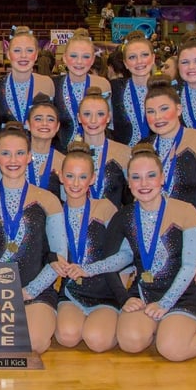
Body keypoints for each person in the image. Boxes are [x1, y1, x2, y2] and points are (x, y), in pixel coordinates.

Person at [86, 143, 196, 361]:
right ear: (129, 183)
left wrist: (165, 304)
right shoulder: (126, 215)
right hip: (144, 292)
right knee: (130, 342)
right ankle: (164, 328)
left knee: (172, 351)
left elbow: (189, 266)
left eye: (151, 175)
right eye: (136, 177)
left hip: (180, 296)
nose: (144, 183)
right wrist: (88, 270)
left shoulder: (186, 211)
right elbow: (124, 257)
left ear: (162, 178)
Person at [0, 123, 67, 354]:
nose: (13, 160)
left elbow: (59, 256)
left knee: (32, 343)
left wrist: (30, 291)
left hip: (34, 290)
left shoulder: (48, 200)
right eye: (6, 153)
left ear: (29, 157)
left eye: (20, 153)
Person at [141, 75, 196, 300]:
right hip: (156, 247)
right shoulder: (143, 147)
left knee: (188, 317)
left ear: (178, 109)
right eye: (150, 111)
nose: (157, 117)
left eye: (163, 109)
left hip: (193, 240)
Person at [52, 140, 120, 352]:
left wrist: (123, 296)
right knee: (67, 337)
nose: (75, 183)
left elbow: (122, 255)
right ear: (61, 177)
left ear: (92, 179)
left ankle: (115, 323)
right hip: (71, 292)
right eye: (70, 176)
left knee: (97, 341)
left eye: (83, 177)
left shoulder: (106, 208)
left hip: (105, 291)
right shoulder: (54, 211)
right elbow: (46, 252)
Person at [53, 29, 112, 152]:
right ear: (64, 58)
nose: (79, 62)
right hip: (62, 154)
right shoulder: (53, 85)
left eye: (85, 57)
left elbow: (110, 125)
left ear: (92, 60)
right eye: (73, 56)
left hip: (97, 152)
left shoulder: (103, 85)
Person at [0, 26, 55, 130]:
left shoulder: (47, 83)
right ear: (8, 54)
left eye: (29, 50)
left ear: (36, 55)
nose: (23, 55)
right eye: (17, 50)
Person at [77, 87, 130, 208]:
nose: (93, 120)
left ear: (108, 117)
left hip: (113, 224)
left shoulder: (125, 153)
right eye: (87, 114)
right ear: (79, 117)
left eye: (100, 114)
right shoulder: (69, 154)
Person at [109, 30, 155, 147]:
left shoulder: (166, 88)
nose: (139, 61)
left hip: (160, 157)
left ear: (153, 58)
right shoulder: (113, 89)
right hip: (124, 158)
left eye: (144, 55)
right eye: (132, 57)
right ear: (125, 63)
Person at [25, 100, 65, 196]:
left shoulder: (64, 162)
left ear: (57, 127)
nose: (44, 123)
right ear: (28, 124)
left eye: (50, 119)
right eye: (38, 119)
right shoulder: (15, 158)